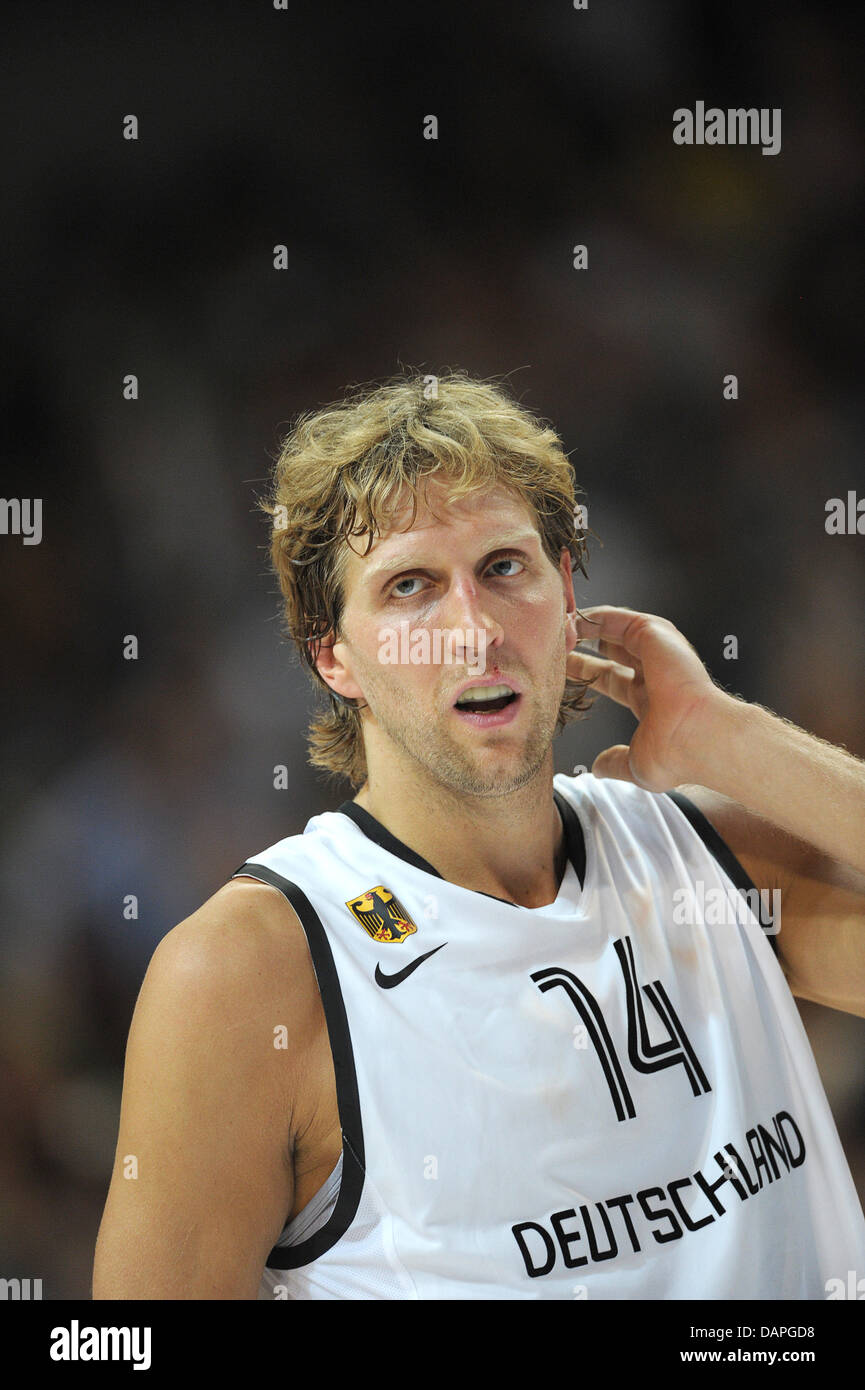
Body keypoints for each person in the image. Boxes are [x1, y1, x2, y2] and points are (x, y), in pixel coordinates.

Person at [93, 371, 865, 1300]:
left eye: (503, 568)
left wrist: (729, 738)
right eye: (410, 588)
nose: (473, 632)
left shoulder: (705, 856)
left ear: (566, 591)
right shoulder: (251, 969)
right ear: (331, 654)